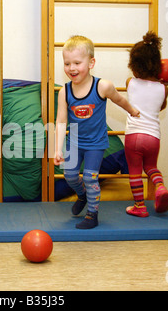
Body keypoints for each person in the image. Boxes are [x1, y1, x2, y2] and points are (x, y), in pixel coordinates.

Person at [54, 35, 140, 229]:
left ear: (91, 62)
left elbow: (119, 100)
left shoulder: (102, 86)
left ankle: (92, 214)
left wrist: (132, 110)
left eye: (77, 62)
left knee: (90, 177)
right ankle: (83, 195)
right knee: (69, 175)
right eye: (67, 63)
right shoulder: (65, 91)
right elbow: (61, 120)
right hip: (74, 142)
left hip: (95, 143)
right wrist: (58, 148)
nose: (71, 68)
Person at [124, 31, 168, 217]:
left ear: (134, 66)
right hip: (153, 136)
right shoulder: (163, 88)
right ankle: (160, 186)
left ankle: (139, 206)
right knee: (151, 167)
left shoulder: (131, 82)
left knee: (135, 171)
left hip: (134, 135)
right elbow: (161, 106)